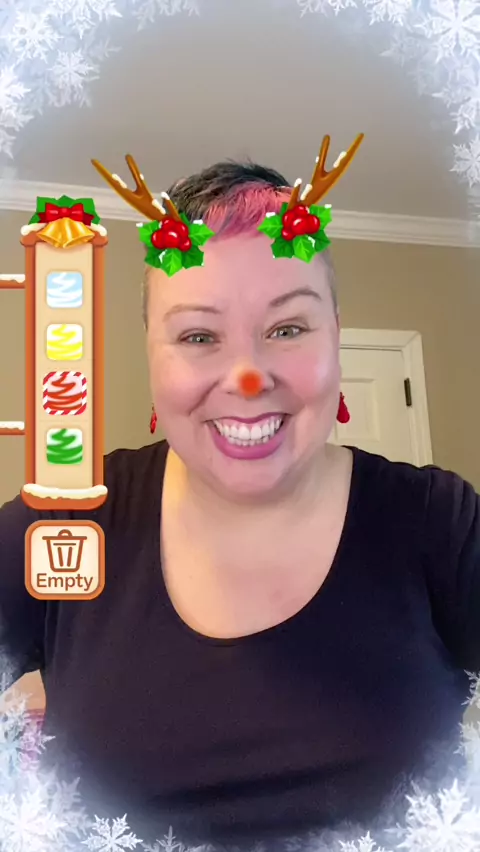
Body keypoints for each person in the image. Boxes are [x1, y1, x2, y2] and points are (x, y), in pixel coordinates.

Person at [0, 158, 479, 852]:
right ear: (152, 355)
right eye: (199, 336)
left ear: (335, 334)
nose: (248, 378)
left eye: (287, 329)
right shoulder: (66, 519)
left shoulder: (439, 523)